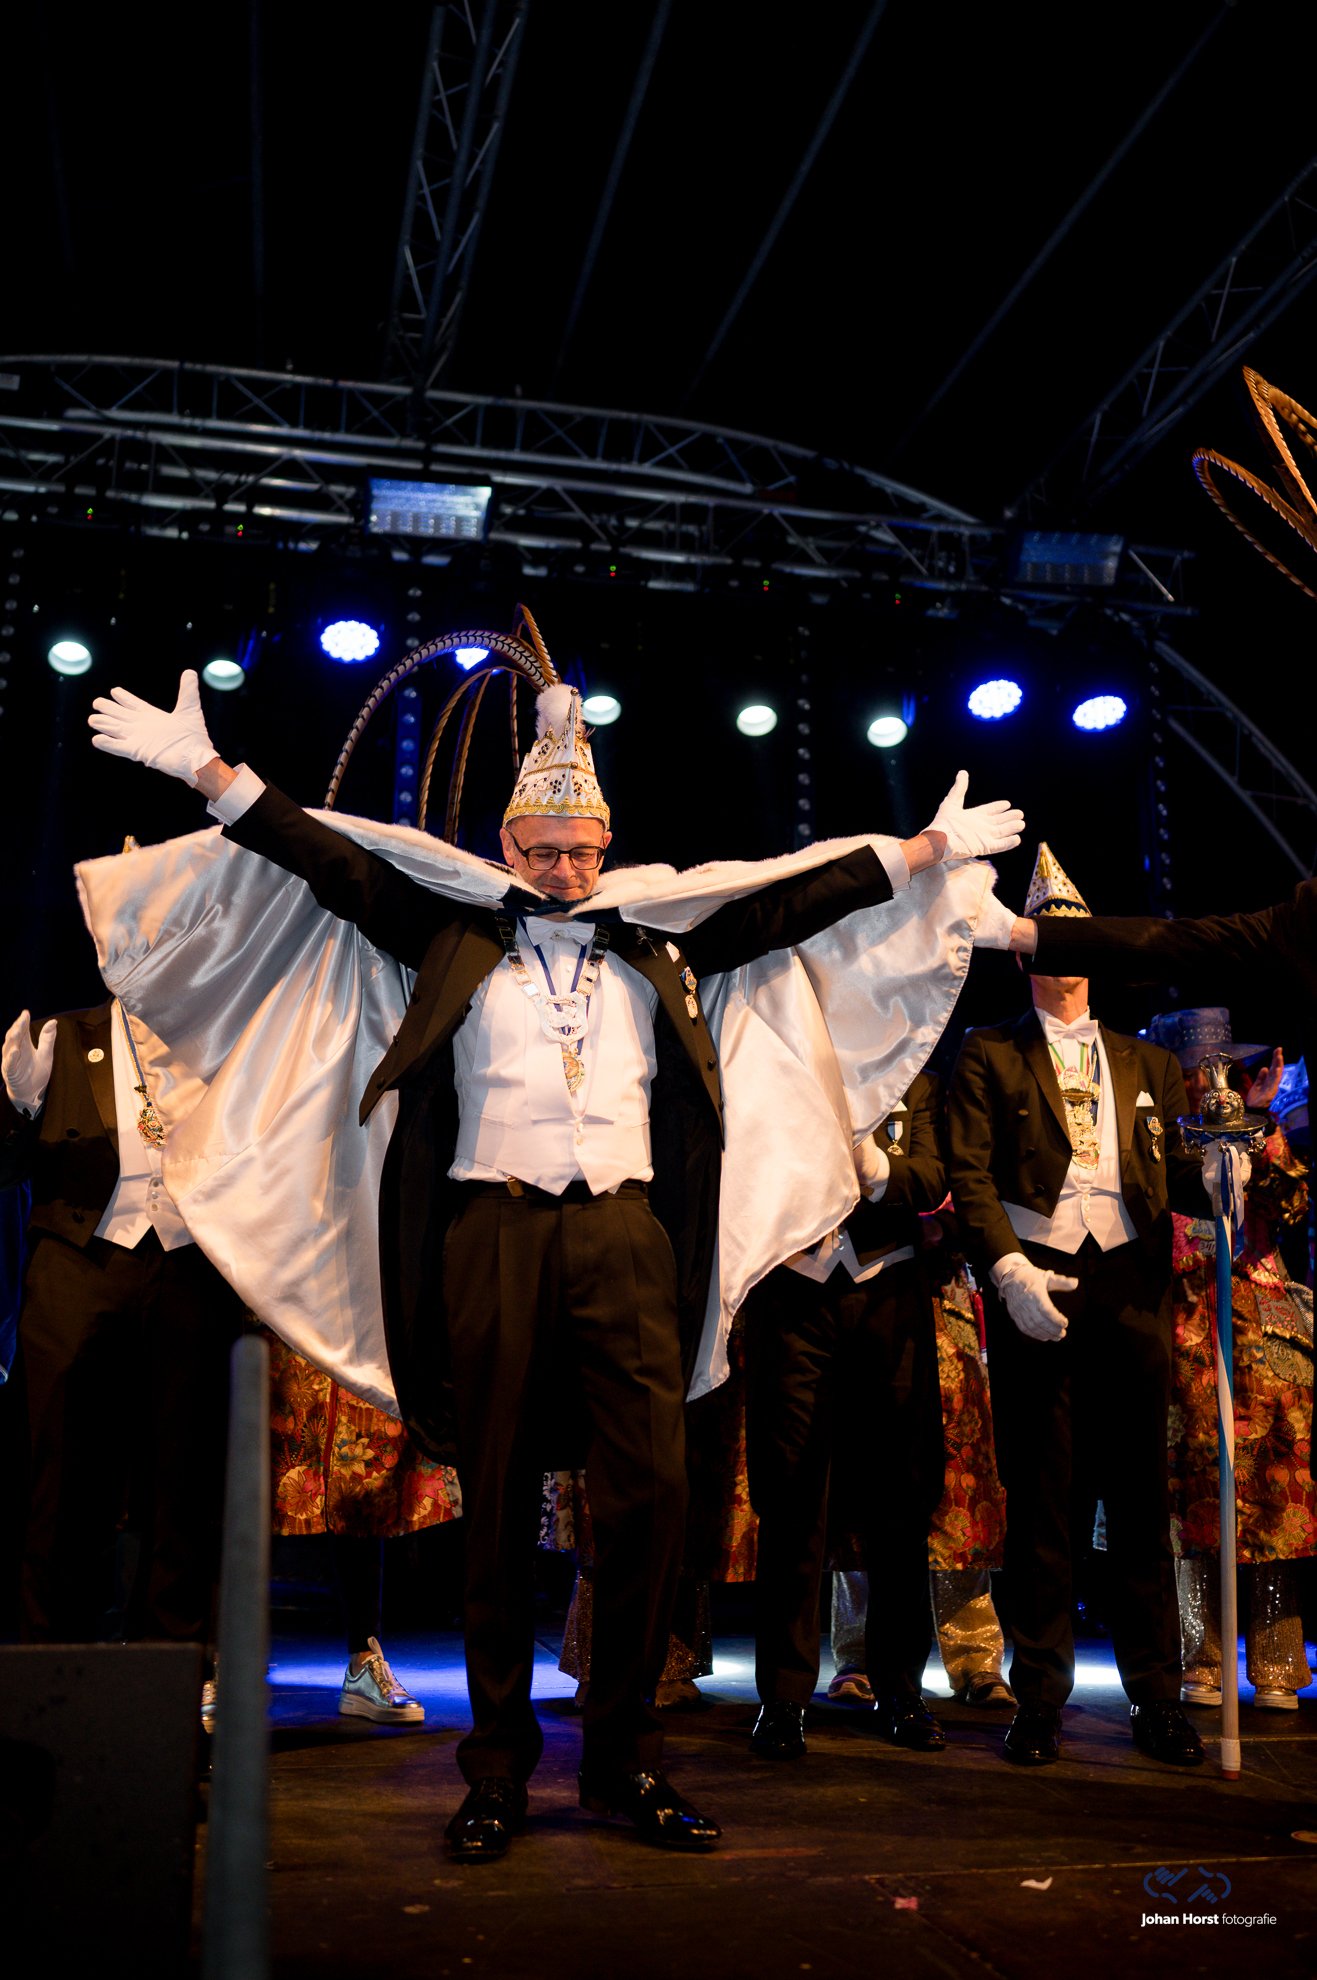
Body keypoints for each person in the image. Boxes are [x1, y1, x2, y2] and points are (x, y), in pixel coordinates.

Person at [87, 659, 1023, 1859]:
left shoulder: (660, 941)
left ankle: (627, 1760)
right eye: (543, 849)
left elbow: (797, 899)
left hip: (628, 1238)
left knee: (653, 1499)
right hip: (492, 1234)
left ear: (608, 845)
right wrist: (209, 772)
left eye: (582, 850)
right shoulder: (449, 932)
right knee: (491, 1510)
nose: (564, 868)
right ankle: (496, 1772)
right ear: (507, 844)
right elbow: (332, 865)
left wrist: (926, 851)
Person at [947, 843, 1209, 1768]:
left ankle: (1156, 1696)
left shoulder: (1149, 1062)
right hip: (1039, 1278)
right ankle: (1038, 1698)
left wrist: (1225, 1165)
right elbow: (969, 1176)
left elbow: (1181, 1178)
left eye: (1076, 941)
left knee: (1139, 1499)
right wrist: (1006, 1270)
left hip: (1130, 1285)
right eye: (1044, 942)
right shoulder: (988, 1052)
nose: (1061, 958)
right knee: (1043, 1502)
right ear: (1020, 953)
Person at [0, 995, 241, 1654]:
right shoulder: (62, 1038)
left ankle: (170, 1677)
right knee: (65, 1486)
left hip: (191, 1269)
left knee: (183, 1488)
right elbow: (5, 1171)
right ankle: (54, 1677)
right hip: (80, 1269)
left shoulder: (223, 1032)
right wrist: (20, 1106)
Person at [743, 1072, 948, 1760]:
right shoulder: (775, 1070)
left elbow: (933, 1175)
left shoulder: (913, 1075)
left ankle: (901, 1691)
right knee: (790, 1499)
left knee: (900, 1503)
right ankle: (783, 1696)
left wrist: (879, 1169)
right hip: (791, 1290)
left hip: (888, 1290)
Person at [1145, 1008, 1315, 1711]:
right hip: (1189, 1324)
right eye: (1195, 1070)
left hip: (1266, 1333)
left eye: (1220, 1068)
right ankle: (1203, 1658)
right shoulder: (1160, 1136)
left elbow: (1292, 1201)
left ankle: (1275, 1663)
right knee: (1194, 1497)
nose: (1208, 1081)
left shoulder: (1257, 1130)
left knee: (1276, 1495)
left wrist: (1262, 1119)